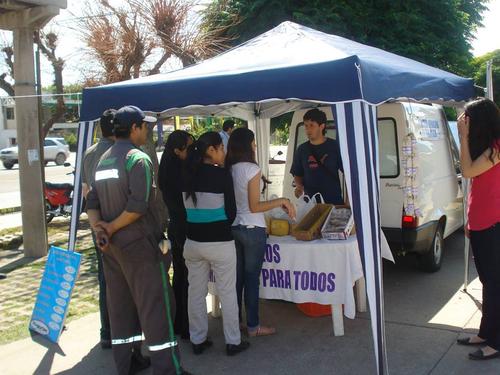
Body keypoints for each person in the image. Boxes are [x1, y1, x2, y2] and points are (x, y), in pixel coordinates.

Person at [86, 105, 190, 375]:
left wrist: (101, 229)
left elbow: (92, 201)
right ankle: (168, 369)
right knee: (157, 307)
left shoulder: (104, 159)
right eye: (145, 126)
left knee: (121, 307)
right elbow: (137, 207)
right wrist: (109, 226)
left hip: (111, 248)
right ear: (134, 128)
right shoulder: (138, 159)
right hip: (140, 246)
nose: (147, 131)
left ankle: (129, 362)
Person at [181, 131, 249, 356]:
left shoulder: (187, 173)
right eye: (221, 148)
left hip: (193, 242)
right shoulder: (222, 176)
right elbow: (231, 212)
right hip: (219, 242)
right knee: (227, 292)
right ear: (211, 150)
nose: (224, 152)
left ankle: (197, 339)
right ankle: (233, 341)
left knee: (196, 292)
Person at [225, 127, 296, 337]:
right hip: (253, 229)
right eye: (254, 143)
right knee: (251, 279)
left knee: (236, 280)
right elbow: (255, 206)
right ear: (248, 146)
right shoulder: (251, 169)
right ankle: (254, 326)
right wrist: (282, 200)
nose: (256, 147)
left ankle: (235, 323)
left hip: (233, 227)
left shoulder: (229, 168)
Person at [455, 98, 500, 361]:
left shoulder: (496, 147)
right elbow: (477, 188)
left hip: (494, 225)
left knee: (495, 284)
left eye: (467, 118)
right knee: (487, 282)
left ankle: (496, 341)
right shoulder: (487, 146)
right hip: (482, 223)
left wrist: (462, 137)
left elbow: (468, 172)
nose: (464, 122)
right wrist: (471, 222)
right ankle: (486, 332)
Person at [81, 108, 115, 349]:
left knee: (105, 279)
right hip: (117, 223)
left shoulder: (89, 153)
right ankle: (124, 333)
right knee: (121, 280)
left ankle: (107, 332)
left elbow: (85, 192)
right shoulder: (119, 153)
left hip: (97, 225)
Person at [158, 130, 193, 339]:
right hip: (184, 230)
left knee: (180, 277)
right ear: (177, 150)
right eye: (189, 147)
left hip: (175, 229)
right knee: (188, 280)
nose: (192, 151)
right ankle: (187, 325)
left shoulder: (167, 169)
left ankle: (178, 322)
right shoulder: (180, 173)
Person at [290, 108, 344, 204]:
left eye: (312, 125)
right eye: (306, 126)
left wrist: (349, 200)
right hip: (310, 203)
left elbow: (348, 173)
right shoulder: (301, 149)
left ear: (322, 126)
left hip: (333, 203)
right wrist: (299, 187)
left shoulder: (335, 146)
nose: (308, 129)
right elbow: (297, 173)